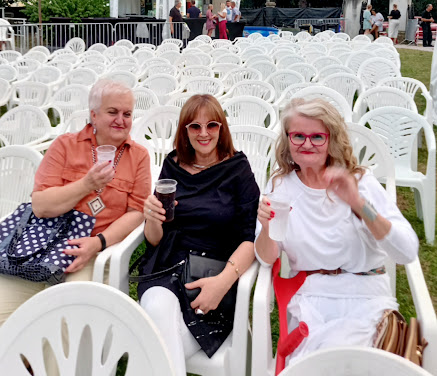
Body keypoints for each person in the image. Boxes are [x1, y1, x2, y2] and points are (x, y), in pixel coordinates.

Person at [255, 98, 418, 362]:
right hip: (310, 299)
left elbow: (406, 251)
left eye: (317, 137)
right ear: (287, 139)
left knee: (345, 361)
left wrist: (358, 204)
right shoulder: (280, 187)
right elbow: (266, 258)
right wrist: (266, 228)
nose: (307, 144)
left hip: (367, 296)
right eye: (298, 136)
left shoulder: (359, 182)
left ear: (332, 140)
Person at [0, 79, 151, 326]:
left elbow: (136, 212)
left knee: (68, 318)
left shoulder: (138, 156)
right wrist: (86, 184)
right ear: (94, 115)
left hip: (92, 251)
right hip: (43, 243)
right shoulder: (65, 145)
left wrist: (98, 242)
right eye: (112, 112)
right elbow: (41, 206)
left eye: (127, 114)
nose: (121, 120)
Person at [139, 94, 259, 375]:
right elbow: (155, 239)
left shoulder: (237, 170)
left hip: (212, 274)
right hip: (168, 267)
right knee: (156, 307)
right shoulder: (172, 166)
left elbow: (249, 238)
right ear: (185, 131)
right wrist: (152, 218)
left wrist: (222, 283)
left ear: (221, 128)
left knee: (152, 346)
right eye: (195, 126)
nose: (204, 133)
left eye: (211, 125)